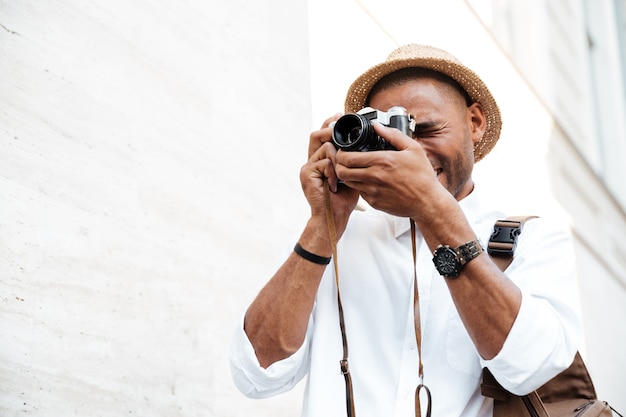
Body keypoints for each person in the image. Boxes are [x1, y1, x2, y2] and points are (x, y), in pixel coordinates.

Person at [229, 44, 582, 417]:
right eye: (391, 135)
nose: (410, 150)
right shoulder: (339, 238)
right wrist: (324, 222)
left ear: (474, 123)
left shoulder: (533, 241)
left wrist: (432, 209)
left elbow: (532, 366)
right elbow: (257, 373)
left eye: (425, 130)